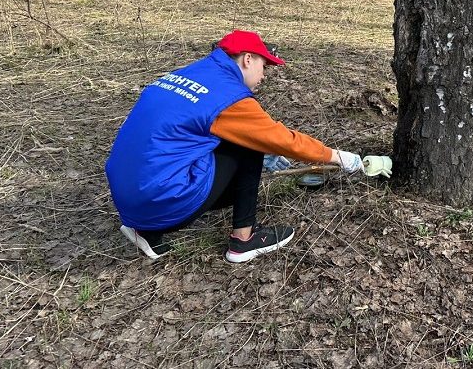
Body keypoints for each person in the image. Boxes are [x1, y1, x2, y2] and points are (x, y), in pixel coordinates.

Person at [105, 30, 364, 262]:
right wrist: (340, 157)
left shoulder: (189, 74)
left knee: (241, 140)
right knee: (248, 147)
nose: (264, 75)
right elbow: (285, 140)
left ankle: (145, 230)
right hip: (161, 199)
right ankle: (243, 240)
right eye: (265, 66)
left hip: (128, 199)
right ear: (247, 59)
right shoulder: (229, 97)